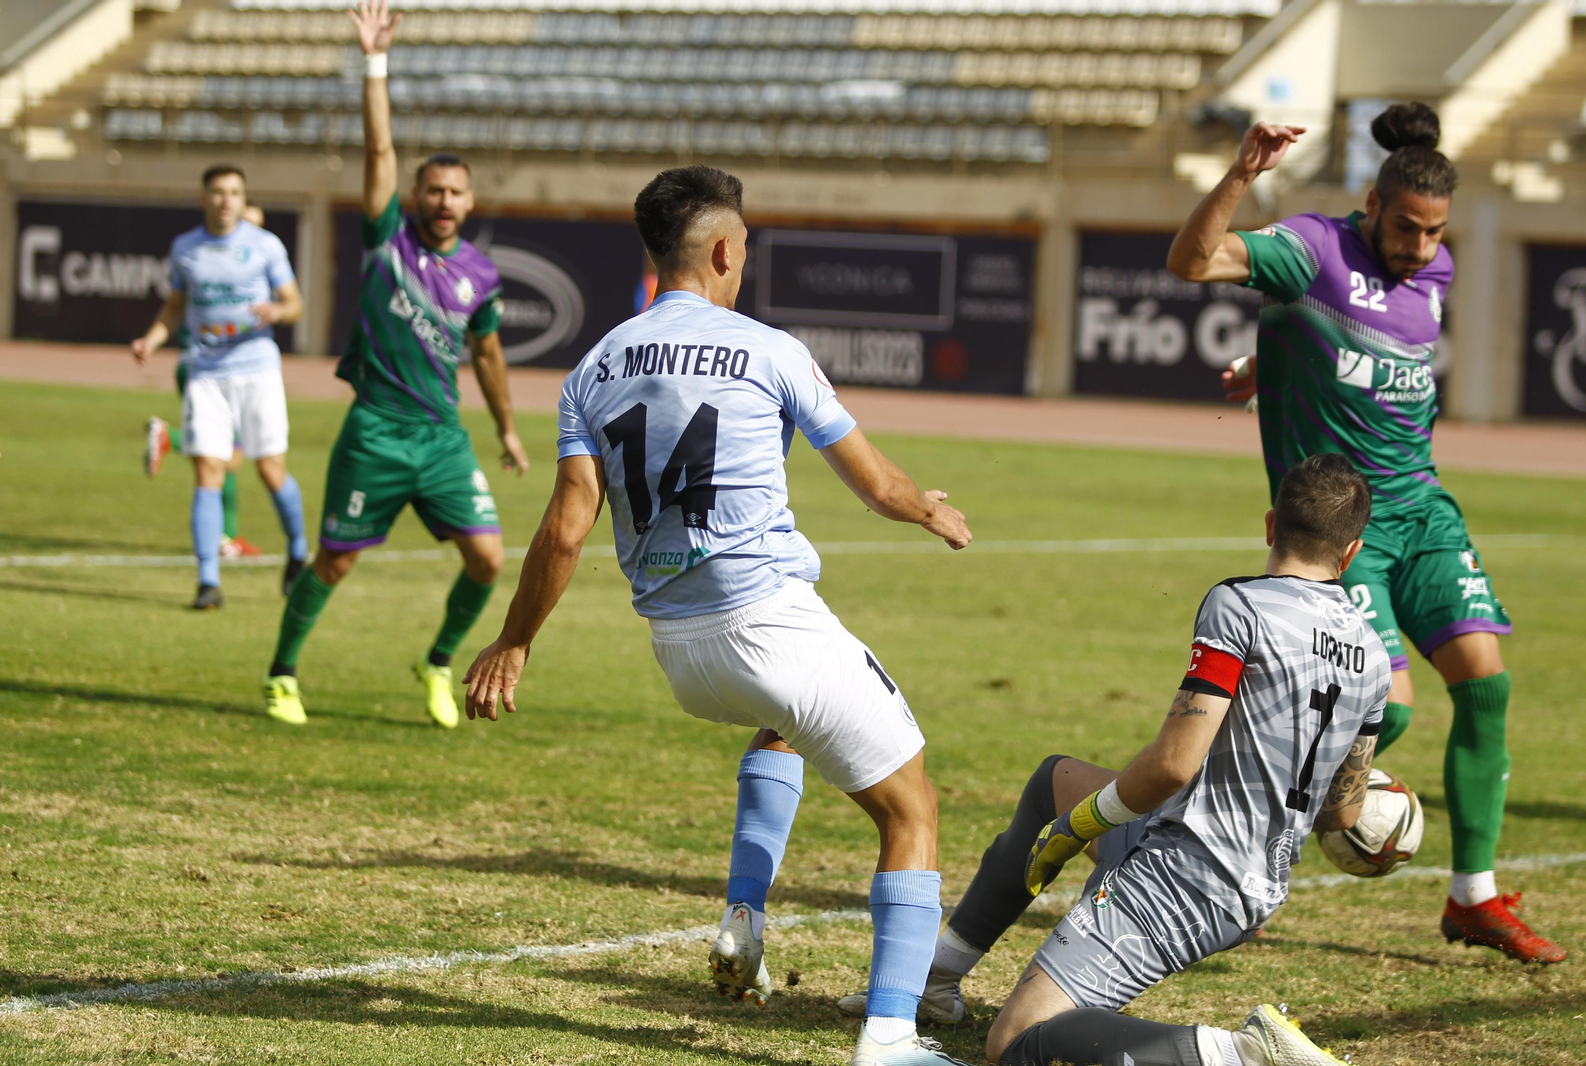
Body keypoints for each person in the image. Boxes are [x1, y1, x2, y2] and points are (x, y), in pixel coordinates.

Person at [462, 163, 975, 1066]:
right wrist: (928, 508)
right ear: (727, 249)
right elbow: (876, 482)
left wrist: (514, 641)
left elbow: (566, 528)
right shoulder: (768, 348)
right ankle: (890, 1037)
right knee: (912, 808)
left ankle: (744, 916)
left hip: (680, 650)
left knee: (782, 728)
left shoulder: (592, 368)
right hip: (768, 618)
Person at [1165, 102, 1564, 963]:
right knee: (1391, 714)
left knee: (1486, 687)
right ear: (1373, 206)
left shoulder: (1439, 270)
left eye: (1436, 232)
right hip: (1346, 526)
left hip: (1423, 509)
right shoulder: (1309, 248)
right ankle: (1232, 846)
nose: (1423, 248)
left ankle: (1473, 899)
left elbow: (1368, 353)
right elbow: (1191, 260)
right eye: (1409, 228)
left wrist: (1273, 361)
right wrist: (1241, 175)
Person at [849, 454, 1387, 1066]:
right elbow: (1342, 814)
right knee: (1056, 780)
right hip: (1249, 867)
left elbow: (1173, 765)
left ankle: (1239, 1054)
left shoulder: (1242, 606)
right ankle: (937, 981)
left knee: (1017, 1044)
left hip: (1191, 871)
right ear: (1350, 553)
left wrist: (1082, 825)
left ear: (1271, 525)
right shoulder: (1371, 652)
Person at [262, 0, 529, 729]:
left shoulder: (481, 274)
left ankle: (438, 659)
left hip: (441, 436)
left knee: (488, 560)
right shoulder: (387, 242)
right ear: (415, 197)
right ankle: (281, 673)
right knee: (336, 562)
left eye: (455, 192)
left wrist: (506, 429)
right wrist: (375, 64)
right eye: (432, 190)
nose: (443, 201)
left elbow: (488, 353)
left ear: (470, 201)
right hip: (376, 431)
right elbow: (378, 153)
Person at [132, 167, 307, 610]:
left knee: (271, 472)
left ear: (242, 198)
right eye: (218, 192)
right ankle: (208, 581)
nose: (226, 200)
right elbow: (175, 308)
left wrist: (277, 311)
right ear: (203, 198)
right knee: (208, 471)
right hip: (205, 372)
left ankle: (299, 551)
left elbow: (296, 304)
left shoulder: (265, 246)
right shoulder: (186, 249)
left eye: (234, 192)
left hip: (257, 371)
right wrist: (151, 340)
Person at [144, 203, 274, 561]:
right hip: (210, 369)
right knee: (224, 455)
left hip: (211, 367)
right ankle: (168, 436)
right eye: (252, 227)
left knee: (222, 455)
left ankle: (226, 536)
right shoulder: (219, 262)